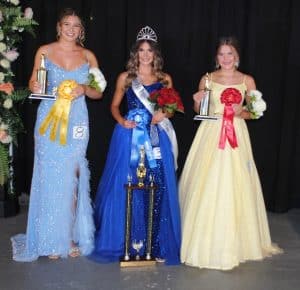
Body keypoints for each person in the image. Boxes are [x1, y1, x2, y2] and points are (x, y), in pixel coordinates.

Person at [179, 36, 282, 270]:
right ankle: (202, 239)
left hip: (236, 135)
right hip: (211, 133)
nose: (226, 58)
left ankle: (238, 242)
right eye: (221, 54)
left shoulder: (247, 80)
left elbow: (254, 113)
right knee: (207, 181)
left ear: (236, 57)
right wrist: (197, 101)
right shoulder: (207, 78)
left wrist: (240, 112)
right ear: (216, 58)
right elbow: (201, 111)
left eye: (230, 54)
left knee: (236, 184)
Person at [11, 8, 105, 261]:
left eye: (76, 25)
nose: (71, 29)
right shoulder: (44, 51)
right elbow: (34, 83)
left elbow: (99, 92)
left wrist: (84, 88)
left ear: (81, 30)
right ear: (59, 26)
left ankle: (69, 237)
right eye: (67, 24)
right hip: (49, 122)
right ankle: (49, 238)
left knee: (73, 175)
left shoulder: (88, 56)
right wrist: (35, 85)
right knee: (50, 174)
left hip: (77, 122)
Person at [91, 26, 181, 265]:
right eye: (141, 50)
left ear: (155, 54)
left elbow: (171, 107)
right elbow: (113, 107)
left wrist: (164, 114)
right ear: (135, 53)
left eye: (149, 50)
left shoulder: (164, 79)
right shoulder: (126, 78)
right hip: (129, 138)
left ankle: (157, 243)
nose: (145, 54)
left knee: (157, 184)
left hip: (155, 136)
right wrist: (122, 121)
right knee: (130, 185)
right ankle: (130, 241)